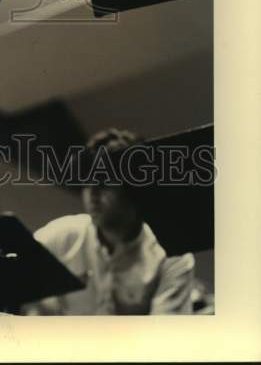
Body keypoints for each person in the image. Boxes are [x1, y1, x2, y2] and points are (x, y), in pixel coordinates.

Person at [24, 128, 195, 315]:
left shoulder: (170, 257)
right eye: (86, 181)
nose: (92, 193)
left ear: (135, 188)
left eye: (103, 182)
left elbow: (164, 337)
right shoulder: (60, 236)